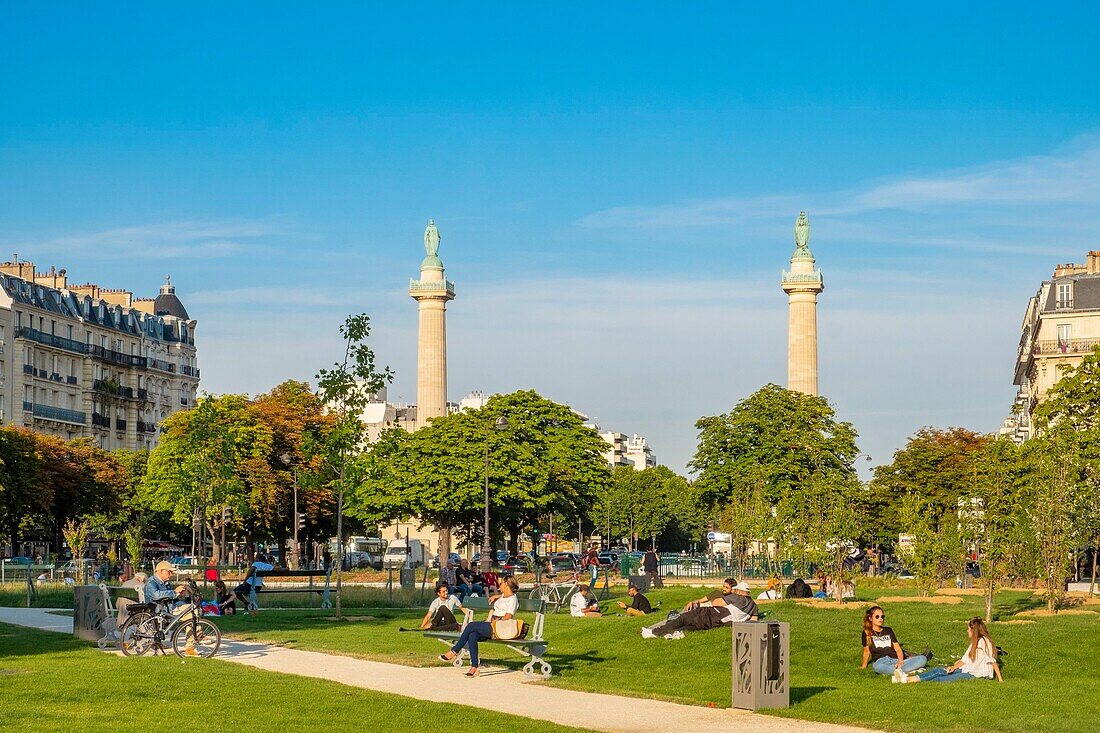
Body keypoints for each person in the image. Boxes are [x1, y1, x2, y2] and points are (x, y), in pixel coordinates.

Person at [437, 575, 520, 677]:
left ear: (506, 584)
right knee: (473, 635)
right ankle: (474, 667)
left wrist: (493, 621)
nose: (500, 584)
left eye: (502, 583)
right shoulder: (504, 596)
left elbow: (508, 616)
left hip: (499, 628)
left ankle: (454, 651)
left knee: (471, 625)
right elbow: (504, 597)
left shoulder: (512, 599)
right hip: (493, 626)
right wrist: (496, 596)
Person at [642, 579, 758, 639]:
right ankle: (673, 633)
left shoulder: (737, 597)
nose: (735, 591)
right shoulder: (754, 606)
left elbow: (716, 602)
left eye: (736, 590)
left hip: (712, 613)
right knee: (691, 627)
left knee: (683, 618)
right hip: (719, 621)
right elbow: (754, 620)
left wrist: (700, 605)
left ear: (741, 591)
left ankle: (654, 632)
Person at [899, 617, 1002, 684]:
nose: (967, 631)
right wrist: (953, 667)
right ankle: (909, 679)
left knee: (940, 679)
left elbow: (992, 662)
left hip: (976, 675)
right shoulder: (974, 642)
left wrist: (1000, 680)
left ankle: (910, 680)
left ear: (973, 630)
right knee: (939, 670)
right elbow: (964, 660)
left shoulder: (983, 642)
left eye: (968, 629)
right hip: (968, 670)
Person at [860, 605, 930, 678]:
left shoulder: (888, 630)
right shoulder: (866, 633)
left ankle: (898, 671)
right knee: (876, 667)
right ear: (870, 618)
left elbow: (897, 648)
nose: (880, 619)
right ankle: (908, 670)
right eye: (877, 617)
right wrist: (863, 666)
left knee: (922, 659)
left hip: (895, 660)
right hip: (881, 661)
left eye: (882, 616)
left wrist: (900, 661)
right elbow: (866, 652)